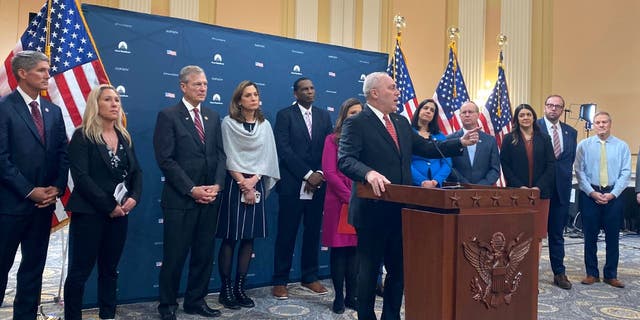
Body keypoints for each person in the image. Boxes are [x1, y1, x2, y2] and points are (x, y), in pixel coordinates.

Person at [338, 72, 478, 320]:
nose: (397, 92)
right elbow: (346, 160)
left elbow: (427, 147)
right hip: (371, 210)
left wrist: (460, 143)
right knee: (369, 273)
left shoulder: (401, 123)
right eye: (392, 88)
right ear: (375, 93)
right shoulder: (357, 122)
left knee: (398, 271)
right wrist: (368, 173)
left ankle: (391, 316)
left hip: (401, 210)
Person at [153, 65, 227, 320]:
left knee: (204, 255)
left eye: (205, 84)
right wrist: (192, 189)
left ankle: (196, 301)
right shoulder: (168, 115)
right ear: (183, 86)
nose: (203, 88)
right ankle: (168, 306)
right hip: (180, 200)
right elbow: (166, 159)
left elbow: (220, 154)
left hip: (209, 199)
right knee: (174, 257)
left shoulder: (213, 116)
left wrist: (217, 186)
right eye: (197, 84)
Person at [0, 50, 69, 320]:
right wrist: (29, 191)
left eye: (47, 69)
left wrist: (55, 188)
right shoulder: (4, 108)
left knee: (33, 270)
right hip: (9, 207)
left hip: (43, 207)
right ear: (22, 73)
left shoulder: (53, 111)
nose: (47, 75)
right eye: (41, 70)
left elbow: (62, 153)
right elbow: (1, 159)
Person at [64, 84, 143, 320]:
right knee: (80, 272)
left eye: (117, 100)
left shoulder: (124, 136)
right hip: (90, 214)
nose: (114, 104)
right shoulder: (83, 135)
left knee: (109, 270)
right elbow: (82, 177)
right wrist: (109, 206)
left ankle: (108, 314)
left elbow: (137, 172)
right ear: (95, 105)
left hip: (120, 215)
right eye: (108, 100)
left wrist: (134, 198)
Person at [216, 81, 280, 309]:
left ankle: (240, 288)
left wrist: (254, 181)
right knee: (230, 237)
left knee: (248, 237)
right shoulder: (228, 123)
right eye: (248, 95)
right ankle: (225, 290)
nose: (253, 98)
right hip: (235, 184)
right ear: (239, 100)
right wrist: (243, 182)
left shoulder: (265, 125)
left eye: (256, 94)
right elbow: (227, 154)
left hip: (257, 182)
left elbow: (268, 156)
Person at [272, 77, 333, 299]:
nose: (309, 92)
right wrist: (308, 175)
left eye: (312, 88)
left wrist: (319, 174)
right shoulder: (284, 115)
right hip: (292, 185)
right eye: (304, 89)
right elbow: (284, 150)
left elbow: (328, 148)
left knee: (311, 233)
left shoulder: (324, 116)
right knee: (286, 234)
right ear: (295, 94)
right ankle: (280, 280)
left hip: (318, 186)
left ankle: (310, 277)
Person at [575, 111, 630, 289]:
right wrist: (592, 192)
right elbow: (579, 171)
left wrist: (613, 193)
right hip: (590, 195)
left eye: (604, 122)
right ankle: (591, 273)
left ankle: (611, 275)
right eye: (597, 122)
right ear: (593, 125)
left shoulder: (622, 146)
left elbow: (625, 173)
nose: (601, 125)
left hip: (613, 196)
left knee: (612, 238)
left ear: (610, 124)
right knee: (589, 237)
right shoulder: (584, 145)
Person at [321, 98, 362, 314]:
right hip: (339, 202)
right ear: (344, 115)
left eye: (359, 112)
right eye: (352, 112)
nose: (355, 116)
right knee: (339, 251)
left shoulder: (367, 139)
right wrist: (350, 196)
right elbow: (329, 172)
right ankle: (338, 296)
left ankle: (351, 296)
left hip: (360, 202)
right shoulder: (332, 140)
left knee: (355, 251)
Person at [537, 95, 577, 290]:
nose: (553, 109)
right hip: (538, 190)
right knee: (532, 234)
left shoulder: (571, 132)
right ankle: (527, 273)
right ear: (544, 107)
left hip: (561, 189)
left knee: (557, 234)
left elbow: (568, 162)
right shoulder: (533, 127)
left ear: (562, 110)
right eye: (550, 105)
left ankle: (559, 272)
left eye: (558, 107)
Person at [500, 104, 555, 241]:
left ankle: (534, 263)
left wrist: (538, 187)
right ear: (517, 119)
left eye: (528, 114)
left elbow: (551, 165)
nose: (525, 118)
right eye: (522, 115)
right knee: (517, 233)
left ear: (534, 117)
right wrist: (520, 187)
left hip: (541, 193)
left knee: (538, 233)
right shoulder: (508, 139)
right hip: (517, 193)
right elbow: (505, 166)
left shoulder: (544, 138)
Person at [447, 101, 500, 185]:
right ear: (460, 116)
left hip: (483, 191)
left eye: (470, 112)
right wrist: (465, 184)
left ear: (478, 115)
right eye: (464, 112)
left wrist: (482, 185)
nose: (467, 115)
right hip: (457, 189)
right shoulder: (450, 139)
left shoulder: (490, 140)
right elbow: (449, 166)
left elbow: (495, 169)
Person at [410, 99, 451, 188]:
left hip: (436, 184)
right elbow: (405, 162)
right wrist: (421, 181)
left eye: (432, 110)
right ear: (419, 111)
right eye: (425, 108)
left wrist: (436, 180)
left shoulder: (440, 136)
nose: (428, 111)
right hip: (413, 184)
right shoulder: (408, 132)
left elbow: (447, 163)